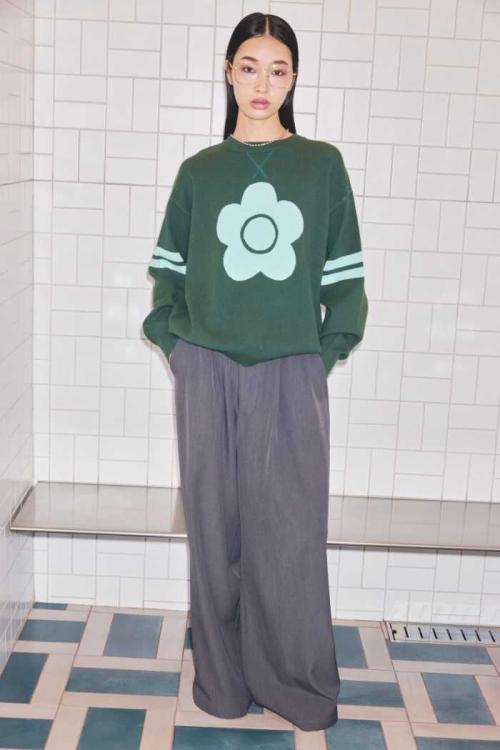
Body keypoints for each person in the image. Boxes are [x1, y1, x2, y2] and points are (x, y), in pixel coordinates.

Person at [142, 11, 368, 732]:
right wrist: (179, 348)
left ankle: (295, 685)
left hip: (291, 374)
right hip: (206, 371)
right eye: (249, 67)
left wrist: (316, 357)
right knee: (214, 532)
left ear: (294, 79)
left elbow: (346, 283)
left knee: (290, 535)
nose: (262, 83)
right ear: (228, 72)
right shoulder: (199, 173)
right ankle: (224, 684)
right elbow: (168, 278)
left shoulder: (321, 166)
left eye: (278, 69)